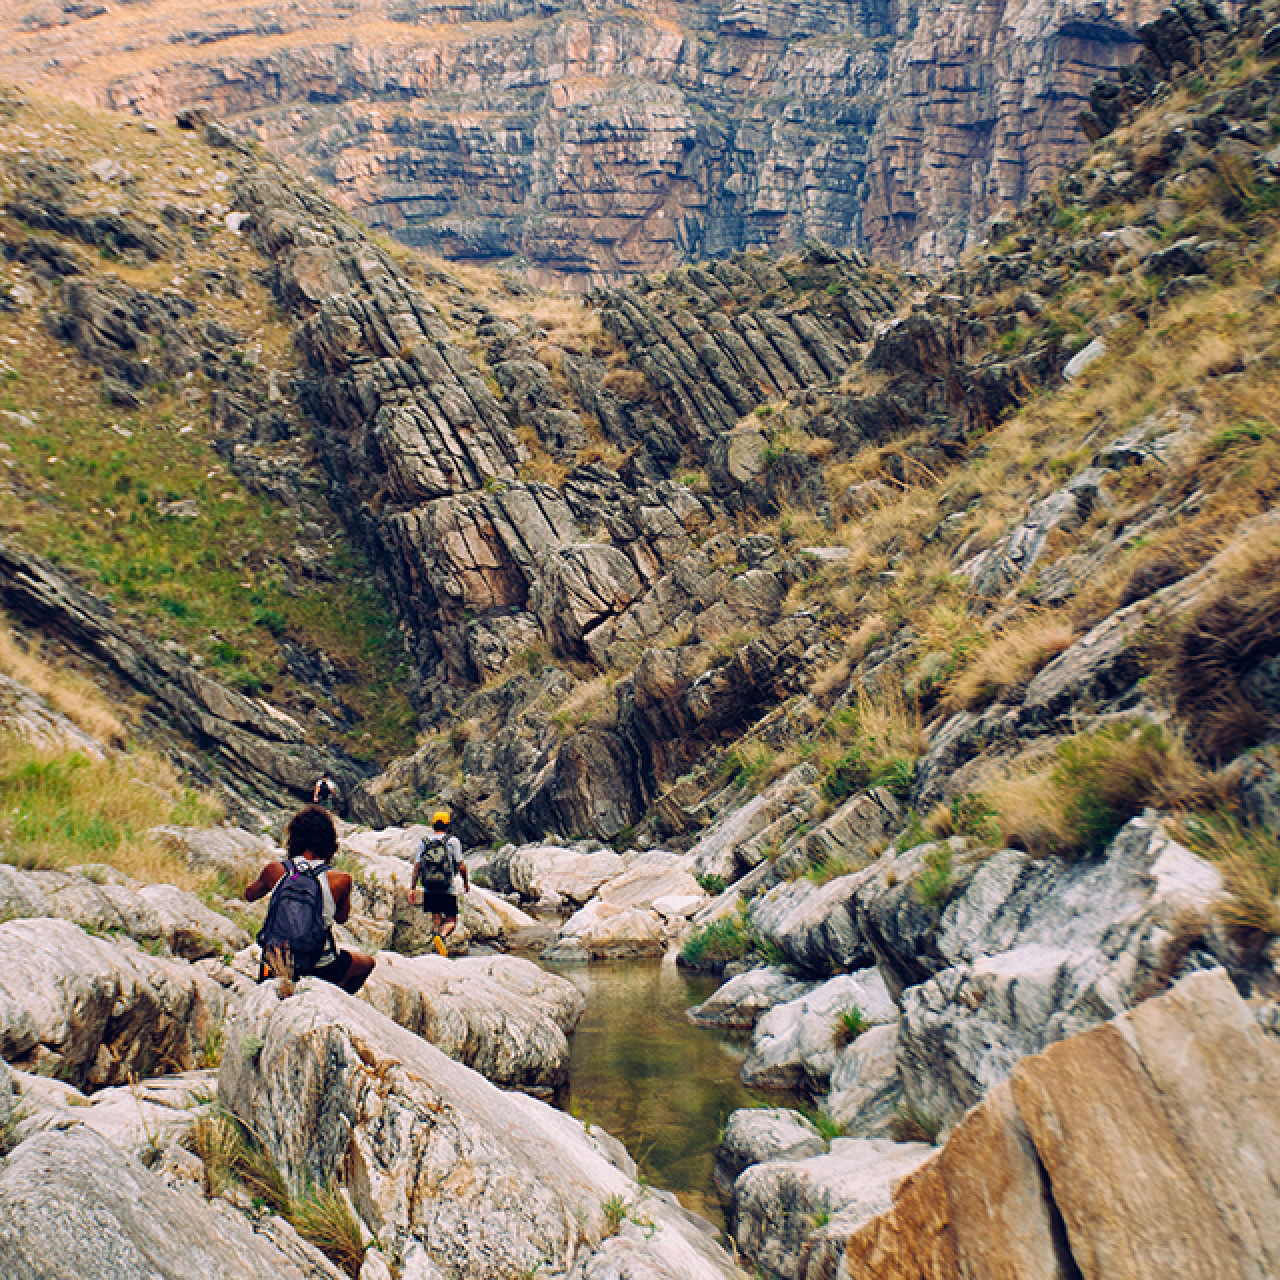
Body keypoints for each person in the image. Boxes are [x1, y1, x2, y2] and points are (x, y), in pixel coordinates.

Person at [246, 806, 375, 994]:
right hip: (319, 966)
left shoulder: (275, 870)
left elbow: (249, 895)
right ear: (329, 842)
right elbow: (341, 918)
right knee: (367, 963)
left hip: (276, 962)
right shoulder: (340, 880)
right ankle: (335, 995)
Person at [411, 810, 469, 957]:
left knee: (436, 918)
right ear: (447, 825)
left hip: (429, 886)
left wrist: (412, 887)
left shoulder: (424, 842)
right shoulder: (452, 841)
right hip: (447, 886)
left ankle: (438, 949)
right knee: (451, 920)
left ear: (433, 824)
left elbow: (417, 866)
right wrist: (465, 883)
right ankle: (441, 937)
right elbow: (461, 866)